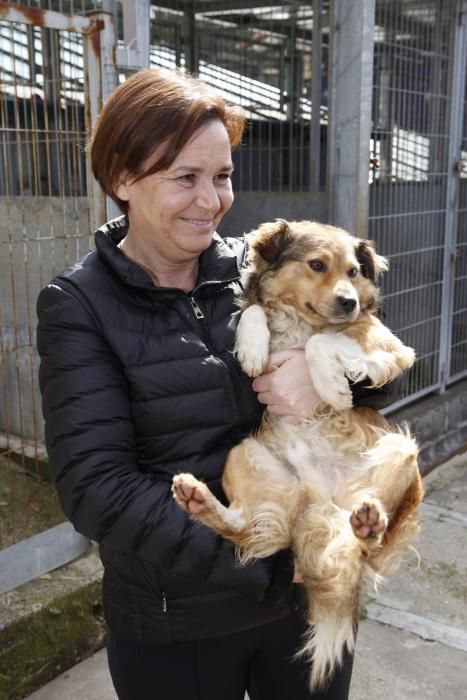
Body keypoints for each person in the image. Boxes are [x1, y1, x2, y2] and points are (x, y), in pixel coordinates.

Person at [36, 68, 400, 700]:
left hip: (304, 602)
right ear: (123, 179)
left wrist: (335, 386)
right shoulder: (79, 305)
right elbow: (96, 488)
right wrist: (264, 555)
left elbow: (377, 346)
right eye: (185, 178)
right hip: (179, 624)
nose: (212, 200)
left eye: (223, 176)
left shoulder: (255, 265)